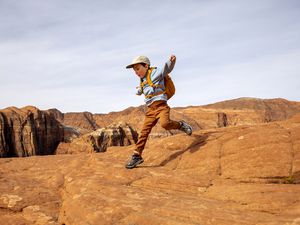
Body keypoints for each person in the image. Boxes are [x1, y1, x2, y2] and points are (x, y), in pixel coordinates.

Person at [125, 55, 192, 169]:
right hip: (150, 109)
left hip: (161, 106)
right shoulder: (142, 80)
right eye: (134, 70)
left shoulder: (156, 73)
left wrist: (171, 62)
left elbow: (166, 69)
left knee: (165, 124)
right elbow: (143, 89)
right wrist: (139, 91)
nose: (136, 72)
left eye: (137, 68)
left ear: (146, 66)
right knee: (144, 132)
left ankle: (180, 125)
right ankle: (137, 156)